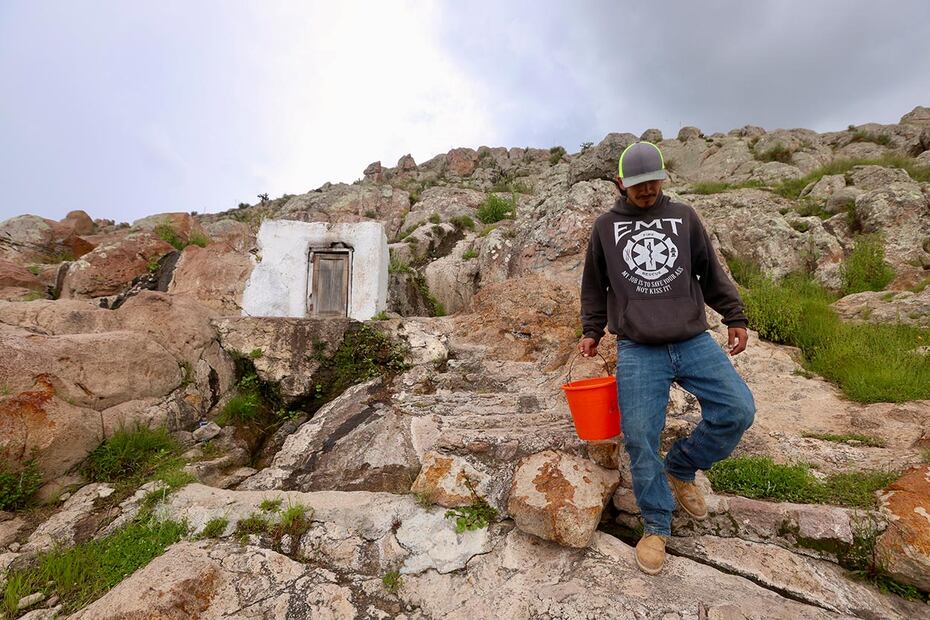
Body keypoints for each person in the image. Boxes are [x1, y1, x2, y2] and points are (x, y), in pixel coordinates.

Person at [578, 141, 755, 575]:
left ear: (663, 178)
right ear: (620, 183)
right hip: (638, 347)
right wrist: (592, 330)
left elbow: (709, 273)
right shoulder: (605, 227)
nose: (647, 190)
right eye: (638, 184)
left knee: (738, 410)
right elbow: (594, 285)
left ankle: (682, 465)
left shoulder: (684, 217)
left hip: (692, 339)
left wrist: (734, 315)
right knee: (640, 436)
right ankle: (656, 524)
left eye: (653, 182)